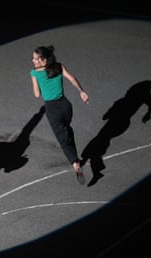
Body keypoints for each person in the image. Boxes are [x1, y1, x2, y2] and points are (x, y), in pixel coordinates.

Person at [30, 45, 89, 184]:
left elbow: (37, 94)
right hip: (65, 105)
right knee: (67, 129)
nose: (34, 61)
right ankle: (75, 156)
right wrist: (82, 92)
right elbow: (72, 78)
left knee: (63, 139)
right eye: (33, 59)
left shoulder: (34, 73)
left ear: (45, 60)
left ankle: (75, 163)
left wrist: (37, 80)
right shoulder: (58, 67)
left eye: (37, 59)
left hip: (52, 109)